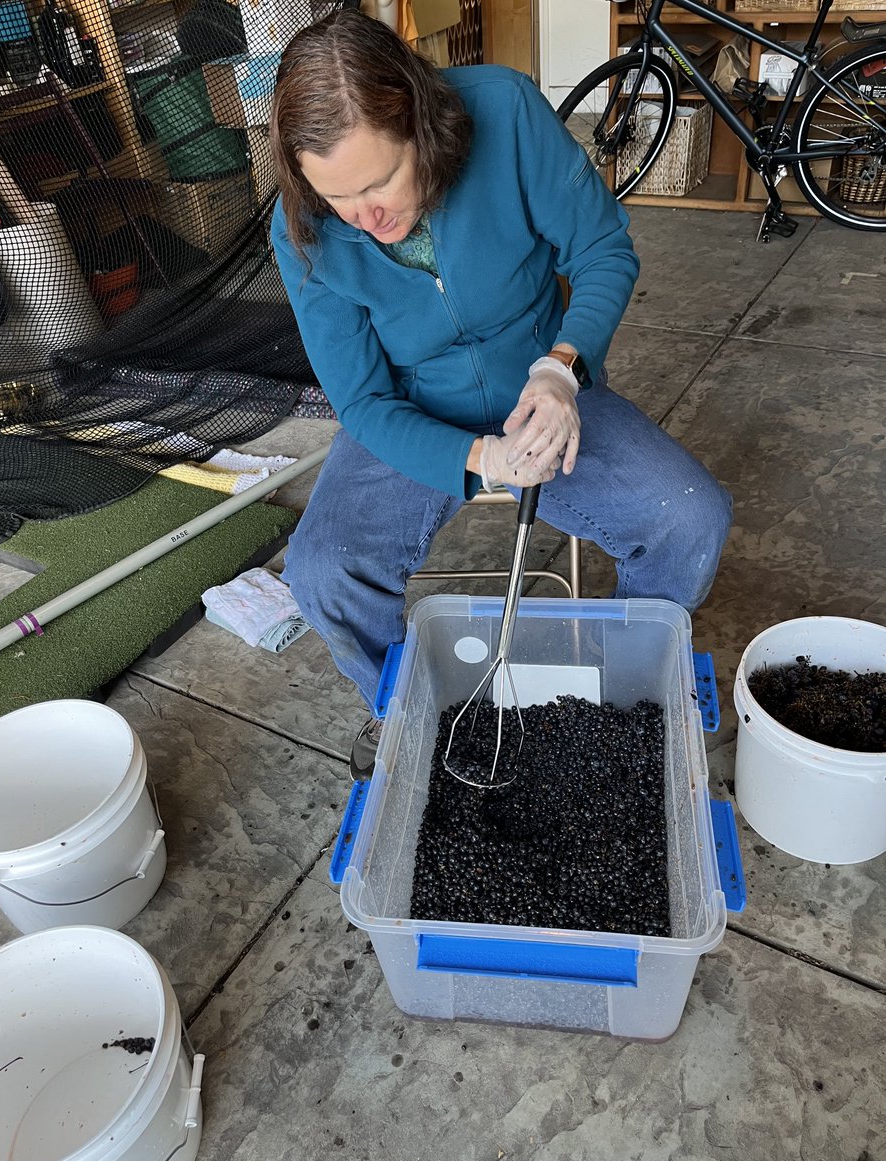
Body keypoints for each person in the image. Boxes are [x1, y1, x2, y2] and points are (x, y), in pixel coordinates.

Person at [269, 10, 732, 781]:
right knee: (323, 571)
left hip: (543, 386)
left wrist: (562, 369)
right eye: (340, 199)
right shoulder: (303, 229)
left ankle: (625, 697)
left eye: (381, 180)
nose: (368, 218)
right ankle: (413, 711)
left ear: (422, 122)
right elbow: (363, 405)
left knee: (691, 516)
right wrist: (480, 457)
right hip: (415, 414)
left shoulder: (505, 114)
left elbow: (602, 248)